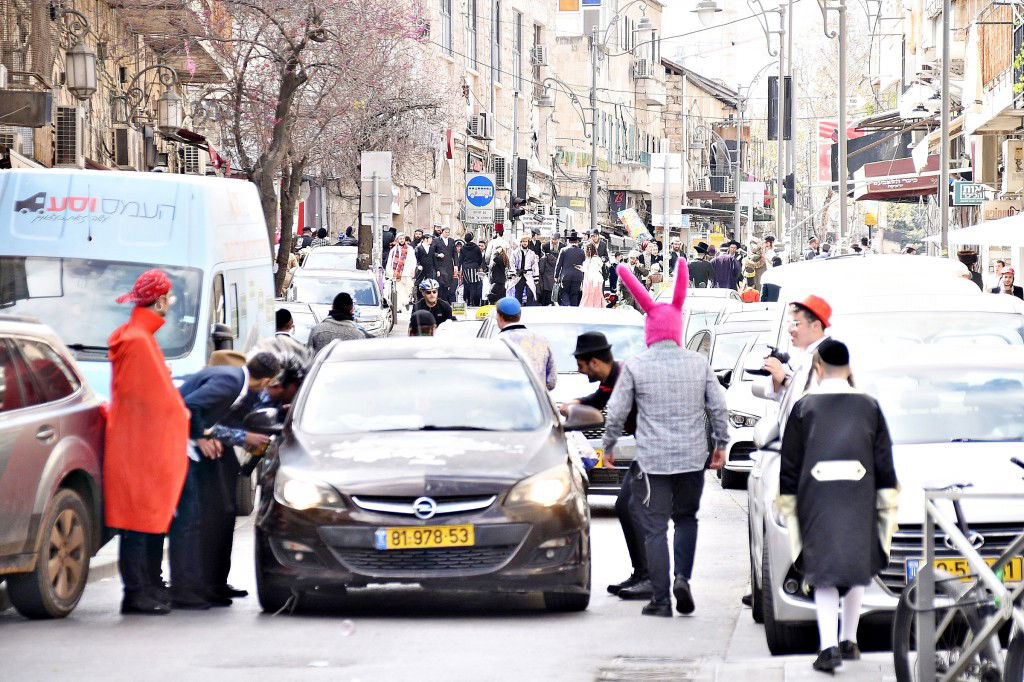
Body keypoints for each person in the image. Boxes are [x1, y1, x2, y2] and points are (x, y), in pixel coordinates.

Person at [603, 262, 729, 617]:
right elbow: (718, 406)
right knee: (687, 519)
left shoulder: (636, 366)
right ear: (677, 328)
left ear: (649, 330)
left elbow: (615, 410)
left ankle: (661, 600)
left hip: (653, 461)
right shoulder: (698, 363)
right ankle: (682, 578)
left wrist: (610, 445)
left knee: (655, 526)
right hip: (692, 457)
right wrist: (720, 444)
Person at [777, 339, 898, 673]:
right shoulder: (870, 406)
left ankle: (828, 645)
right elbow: (884, 463)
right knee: (858, 565)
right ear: (849, 367)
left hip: (816, 498)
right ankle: (850, 639)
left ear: (818, 368)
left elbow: (789, 463)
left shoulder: (804, 407)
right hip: (860, 495)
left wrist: (788, 502)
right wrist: (887, 501)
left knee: (824, 572)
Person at [105, 271, 190, 615]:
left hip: (137, 447)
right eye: (168, 298)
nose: (170, 303)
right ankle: (139, 592)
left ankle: (147, 587)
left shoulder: (138, 336)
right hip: (142, 450)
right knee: (140, 523)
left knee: (146, 521)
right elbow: (158, 402)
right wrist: (181, 417)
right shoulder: (140, 341)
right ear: (158, 302)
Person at [178, 352, 281, 608]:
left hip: (213, 450)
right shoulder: (229, 382)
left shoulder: (242, 387)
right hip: (194, 449)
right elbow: (191, 408)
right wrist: (205, 436)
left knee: (222, 515)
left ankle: (214, 583)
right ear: (266, 379)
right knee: (202, 519)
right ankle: (196, 585)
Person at [559, 333, 646, 598]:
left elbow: (616, 416)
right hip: (647, 446)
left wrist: (606, 448)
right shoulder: (613, 376)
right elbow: (599, 399)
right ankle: (642, 573)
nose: (580, 371)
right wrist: (578, 403)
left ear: (594, 362)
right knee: (626, 506)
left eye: (582, 365)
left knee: (637, 509)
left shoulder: (623, 377)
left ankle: (651, 577)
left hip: (655, 447)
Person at [495, 296, 556, 390]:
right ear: (519, 315)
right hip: (536, 402)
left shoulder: (497, 342)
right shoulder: (541, 340)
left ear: (499, 316)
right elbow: (551, 381)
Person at [385, 232, 417, 310]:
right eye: (400, 239)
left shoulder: (410, 249)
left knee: (408, 289)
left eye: (403, 238)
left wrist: (413, 270)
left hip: (407, 273)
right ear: (397, 240)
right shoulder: (393, 250)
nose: (402, 240)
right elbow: (390, 261)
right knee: (398, 291)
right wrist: (389, 272)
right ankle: (398, 307)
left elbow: (413, 260)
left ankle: (404, 302)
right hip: (397, 274)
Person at [554, 231, 586, 306]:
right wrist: (584, 277)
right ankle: (573, 310)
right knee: (574, 294)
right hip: (578, 276)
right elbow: (584, 265)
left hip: (566, 276)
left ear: (569, 241)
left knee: (564, 292)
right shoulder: (582, 252)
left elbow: (558, 264)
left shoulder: (563, 250)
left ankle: (567, 306)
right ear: (577, 241)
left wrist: (556, 276)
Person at [509, 234, 540, 305]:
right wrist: (513, 273)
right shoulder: (515, 252)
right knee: (518, 293)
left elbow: (535, 265)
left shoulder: (532, 253)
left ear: (528, 242)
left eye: (526, 241)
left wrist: (536, 277)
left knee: (530, 293)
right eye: (523, 241)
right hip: (519, 275)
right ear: (520, 242)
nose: (524, 243)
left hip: (528, 275)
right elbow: (512, 263)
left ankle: (529, 309)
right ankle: (518, 309)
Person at [459, 231, 484, 307]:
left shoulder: (463, 248)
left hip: (466, 268)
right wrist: (479, 265)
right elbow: (480, 258)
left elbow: (461, 259)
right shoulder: (476, 247)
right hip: (474, 267)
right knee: (474, 285)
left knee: (467, 285)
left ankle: (468, 300)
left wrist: (460, 268)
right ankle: (472, 302)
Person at [433, 226, 457, 303]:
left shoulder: (451, 240)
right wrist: (438, 255)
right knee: (441, 282)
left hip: (449, 265)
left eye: (448, 232)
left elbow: (455, 253)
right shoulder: (436, 240)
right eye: (445, 232)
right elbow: (432, 252)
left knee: (448, 282)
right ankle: (440, 300)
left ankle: (446, 300)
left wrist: (456, 264)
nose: (447, 234)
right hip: (440, 265)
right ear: (442, 232)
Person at [580, 243, 606, 308]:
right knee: (597, 296)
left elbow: (590, 270)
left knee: (589, 296)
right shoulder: (597, 259)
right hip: (597, 280)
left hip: (591, 280)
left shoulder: (591, 260)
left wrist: (582, 268)